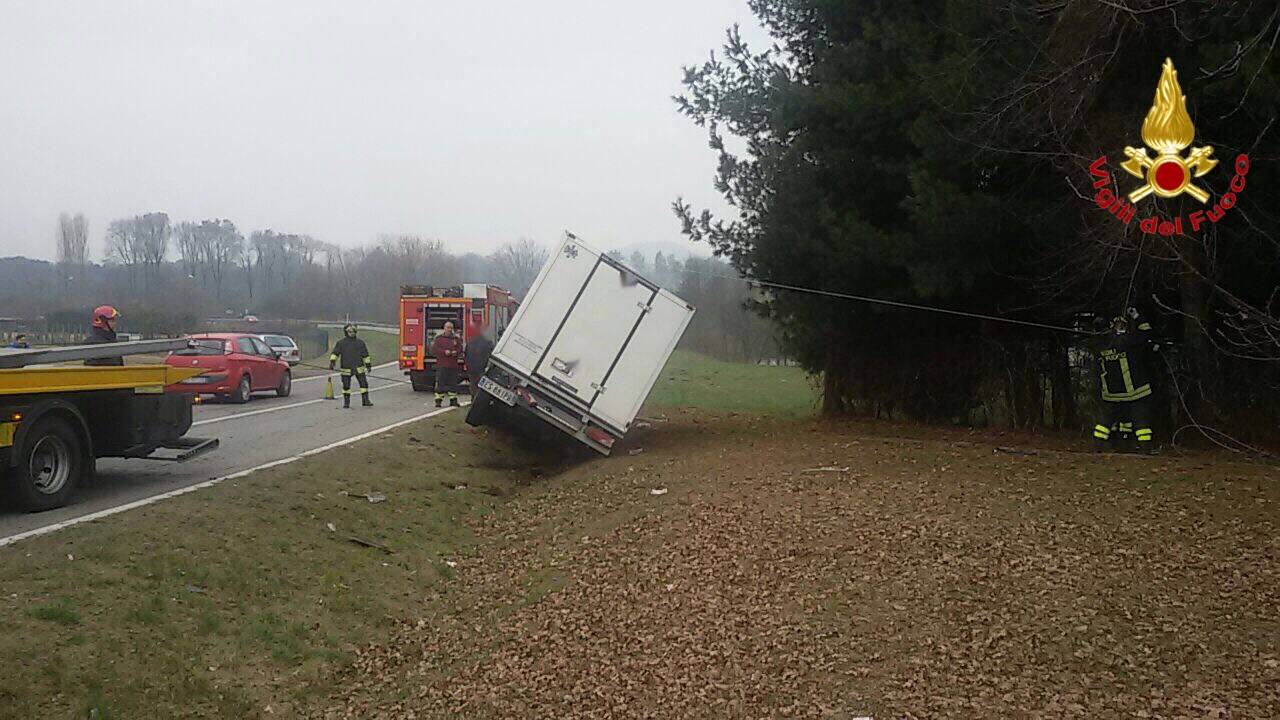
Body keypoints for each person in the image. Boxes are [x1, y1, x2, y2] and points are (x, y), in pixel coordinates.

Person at [1093, 307, 1157, 454]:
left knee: (1109, 421)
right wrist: (1136, 315)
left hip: (1111, 393)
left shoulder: (1101, 343)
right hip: (1134, 390)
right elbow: (1146, 332)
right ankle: (1144, 447)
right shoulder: (1128, 341)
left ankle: (1102, 445)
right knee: (1141, 419)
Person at [329, 324, 373, 408]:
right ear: (346, 332)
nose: (352, 333)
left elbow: (365, 355)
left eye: (353, 332)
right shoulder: (341, 343)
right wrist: (332, 362)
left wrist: (368, 365)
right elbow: (335, 353)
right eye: (350, 332)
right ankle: (346, 403)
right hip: (346, 368)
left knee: (364, 385)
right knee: (346, 386)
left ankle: (365, 400)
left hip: (358, 368)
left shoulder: (360, 343)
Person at [430, 320, 463, 408]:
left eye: (451, 328)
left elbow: (460, 349)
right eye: (448, 328)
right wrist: (445, 352)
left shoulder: (456, 339)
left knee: (453, 384)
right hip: (442, 365)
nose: (450, 329)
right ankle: (438, 401)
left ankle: (453, 401)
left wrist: (456, 352)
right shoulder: (439, 339)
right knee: (440, 383)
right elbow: (435, 350)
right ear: (444, 328)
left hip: (453, 366)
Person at [464, 322, 495, 390]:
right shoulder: (489, 343)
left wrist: (468, 367)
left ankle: (473, 399)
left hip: (472, 370)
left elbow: (466, 356)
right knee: (482, 388)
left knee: (473, 385)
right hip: (482, 369)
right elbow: (492, 357)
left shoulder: (470, 341)